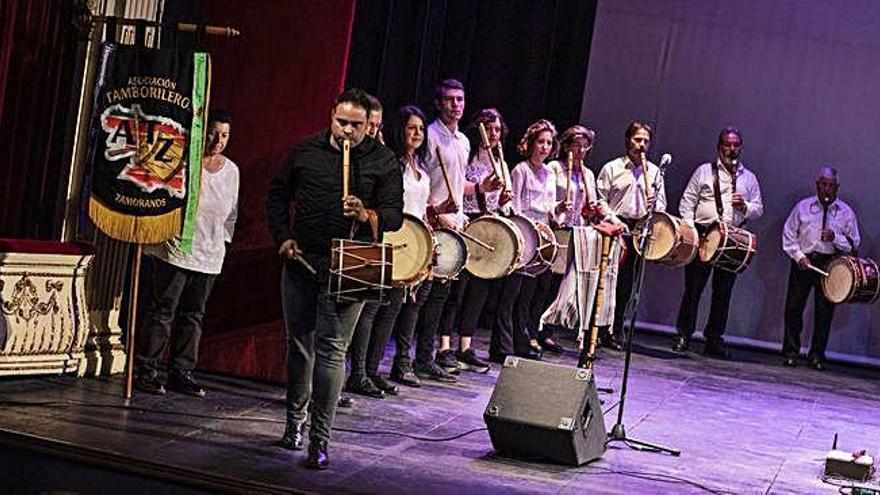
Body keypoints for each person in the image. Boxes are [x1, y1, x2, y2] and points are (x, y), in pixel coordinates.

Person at [266, 88, 403, 469]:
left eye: (356, 126)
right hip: (302, 260)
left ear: (368, 125)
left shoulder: (382, 159)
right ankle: (295, 423)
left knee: (332, 351)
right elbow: (277, 195)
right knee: (300, 347)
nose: (347, 131)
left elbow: (394, 215)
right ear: (331, 117)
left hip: (351, 264)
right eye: (341, 123)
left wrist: (367, 214)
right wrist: (283, 237)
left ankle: (320, 440)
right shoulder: (306, 151)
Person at [135, 110, 239, 398]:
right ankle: (147, 369)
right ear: (203, 131)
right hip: (175, 248)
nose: (218, 140)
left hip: (209, 253)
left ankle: (181, 370)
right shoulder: (182, 159)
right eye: (213, 133)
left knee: (193, 314)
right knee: (163, 309)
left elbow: (231, 214)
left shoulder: (231, 171)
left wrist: (223, 243)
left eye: (225, 135)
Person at [346, 105, 432, 397]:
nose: (417, 133)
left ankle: (372, 371)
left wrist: (423, 253)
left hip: (410, 246)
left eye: (421, 128)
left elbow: (420, 210)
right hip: (383, 238)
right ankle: (356, 373)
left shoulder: (419, 167)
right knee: (370, 308)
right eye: (411, 128)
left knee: (392, 310)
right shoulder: (389, 163)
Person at [672, 127, 763, 358]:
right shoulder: (704, 171)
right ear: (719, 146)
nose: (731, 150)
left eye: (736, 145)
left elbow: (759, 209)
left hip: (732, 238)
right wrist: (690, 232)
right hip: (704, 234)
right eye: (727, 144)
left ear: (740, 148)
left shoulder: (748, 178)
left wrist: (745, 206)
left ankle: (714, 339)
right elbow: (687, 202)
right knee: (693, 289)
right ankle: (683, 334)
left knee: (723, 293)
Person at [440, 108, 511, 373]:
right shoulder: (468, 153)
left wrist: (502, 200)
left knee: (478, 292)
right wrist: (482, 188)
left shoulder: (501, 161)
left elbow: (497, 201)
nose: (493, 134)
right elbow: (458, 186)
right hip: (466, 220)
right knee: (457, 290)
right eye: (489, 128)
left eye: (497, 129)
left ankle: (466, 346)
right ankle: (444, 346)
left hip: (488, 224)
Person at [491, 118, 559, 362]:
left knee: (527, 296)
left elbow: (551, 209)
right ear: (531, 143)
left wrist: (560, 209)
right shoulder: (520, 170)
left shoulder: (550, 173)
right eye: (540, 142)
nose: (544, 147)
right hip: (522, 235)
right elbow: (513, 206)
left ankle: (522, 341)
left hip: (541, 238)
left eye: (549, 143)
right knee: (511, 293)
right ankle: (502, 346)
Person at [781, 166, 860, 370]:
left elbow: (854, 244)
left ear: (837, 188)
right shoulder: (803, 207)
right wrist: (799, 256)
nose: (827, 189)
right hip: (804, 262)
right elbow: (789, 235)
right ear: (817, 185)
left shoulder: (846, 212)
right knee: (793, 308)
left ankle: (816, 355)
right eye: (823, 185)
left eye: (831, 186)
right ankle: (791, 351)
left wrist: (836, 238)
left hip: (830, 265)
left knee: (824, 313)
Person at [596, 122, 667, 350]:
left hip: (639, 230)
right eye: (638, 140)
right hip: (616, 227)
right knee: (605, 281)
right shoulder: (612, 168)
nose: (642, 145)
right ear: (628, 140)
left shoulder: (654, 172)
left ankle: (615, 329)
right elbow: (599, 200)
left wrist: (653, 205)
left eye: (646, 141)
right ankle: (596, 329)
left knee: (626, 284)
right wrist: (615, 221)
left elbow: (663, 205)